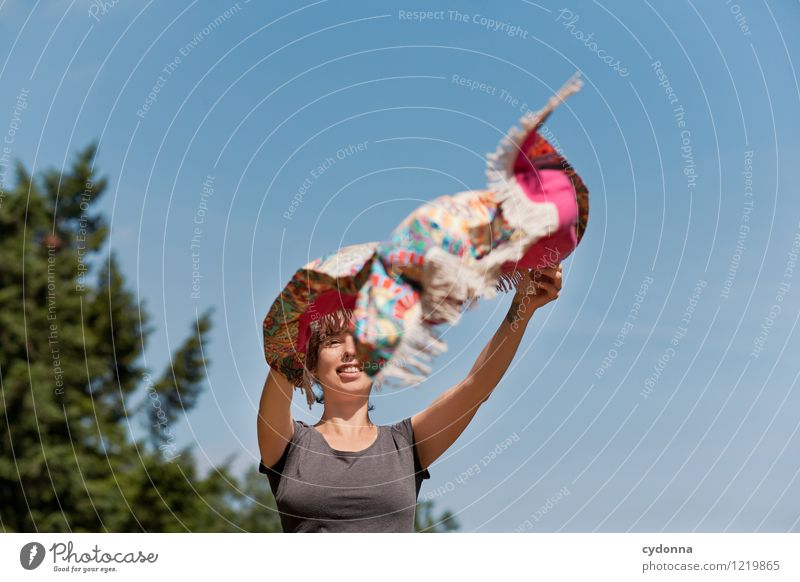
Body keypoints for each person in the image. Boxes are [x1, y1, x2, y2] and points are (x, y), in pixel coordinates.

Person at [256, 264, 563, 532]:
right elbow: (283, 357)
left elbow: (475, 388)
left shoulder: (406, 444)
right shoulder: (289, 445)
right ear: (311, 363)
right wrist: (305, 307)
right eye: (333, 341)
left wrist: (522, 306)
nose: (350, 350)